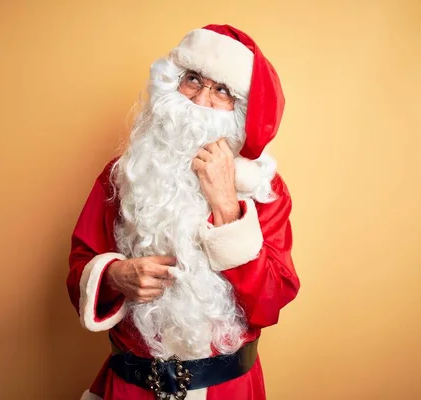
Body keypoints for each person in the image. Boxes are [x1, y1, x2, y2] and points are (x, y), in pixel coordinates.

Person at [67, 24, 301, 400]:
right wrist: (114, 276)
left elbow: (270, 302)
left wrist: (226, 204)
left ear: (240, 111)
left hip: (227, 388)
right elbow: (80, 265)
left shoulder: (263, 190)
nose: (200, 98)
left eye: (222, 90)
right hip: (132, 387)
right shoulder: (126, 172)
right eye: (192, 79)